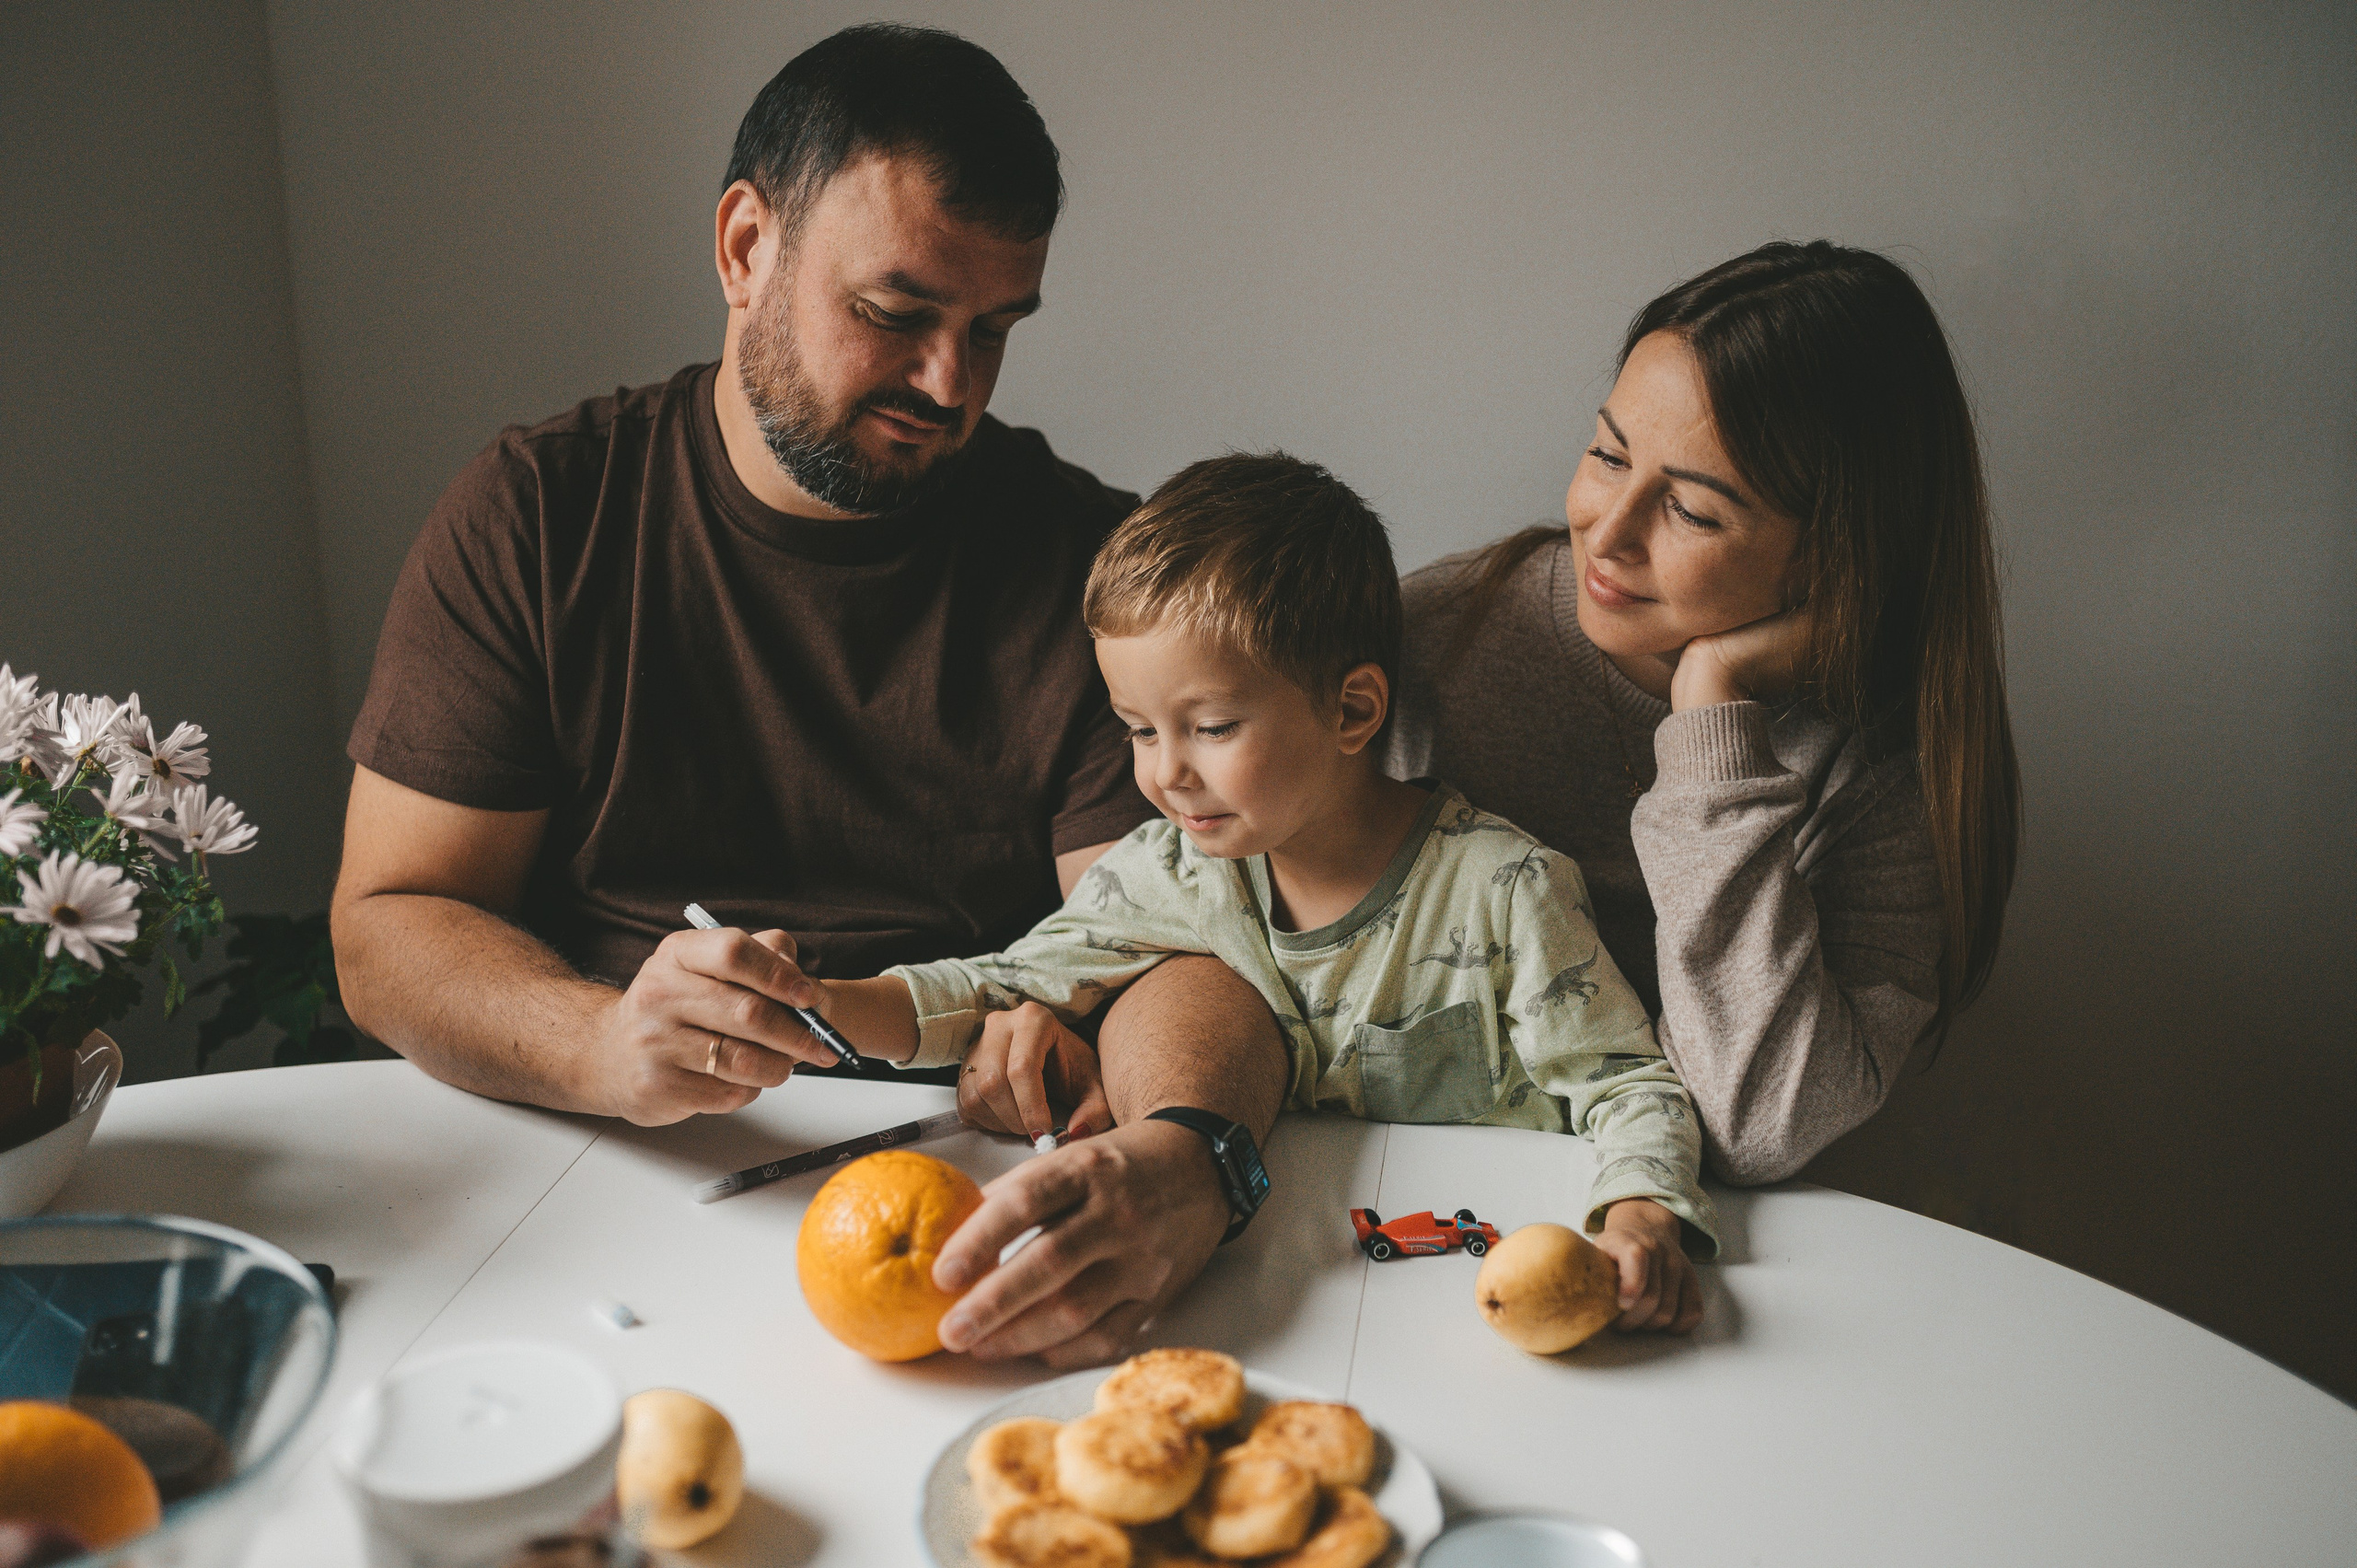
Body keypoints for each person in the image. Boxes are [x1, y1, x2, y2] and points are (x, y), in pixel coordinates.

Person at [330, 24, 1284, 1367]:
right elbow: (389, 922)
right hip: (595, 1190)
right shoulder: (542, 516)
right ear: (743, 249)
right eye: (896, 315)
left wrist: (1189, 1153)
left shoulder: (1089, 566)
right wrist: (603, 1041)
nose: (950, 387)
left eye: (993, 330)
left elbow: (1183, 942)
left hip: (970, 1194)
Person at [809, 453, 1719, 1333]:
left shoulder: (1504, 888)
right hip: (1285, 1293)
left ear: (1353, 711)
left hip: (1476, 1296)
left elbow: (1625, 1087)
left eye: (1209, 727)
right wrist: (819, 1008)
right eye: (1136, 729)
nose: (1165, 773)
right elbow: (1002, 983)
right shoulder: (1168, 870)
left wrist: (1642, 1216)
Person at [1390, 240, 2022, 1185]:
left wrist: (1711, 717)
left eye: (1691, 511)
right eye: (1608, 453)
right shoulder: (1432, 637)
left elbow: (1758, 1126)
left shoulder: (1881, 769)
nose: (1607, 530)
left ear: (1830, 558)